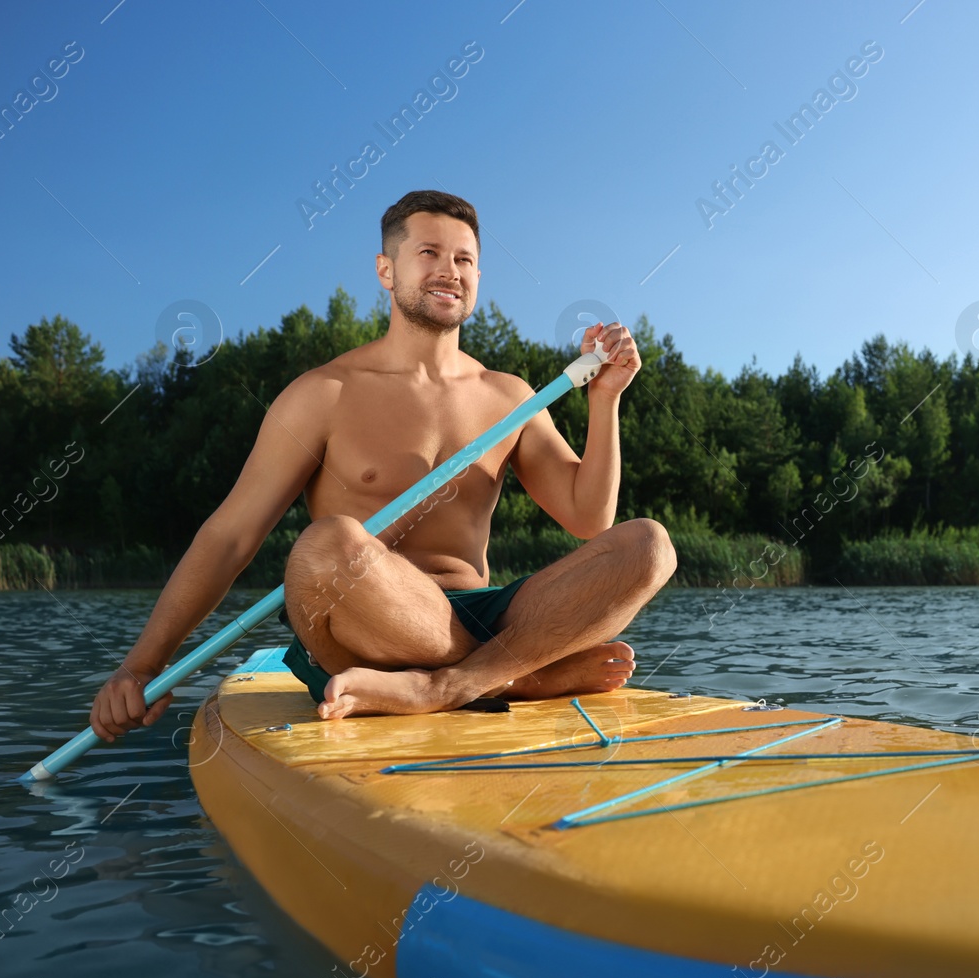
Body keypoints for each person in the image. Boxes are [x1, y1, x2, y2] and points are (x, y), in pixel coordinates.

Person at [88, 189, 675, 741]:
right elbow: (230, 536)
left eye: (466, 259)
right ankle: (524, 674)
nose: (451, 270)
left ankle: (448, 686)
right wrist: (140, 666)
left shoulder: (509, 395)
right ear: (386, 271)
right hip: (364, 627)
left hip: (479, 616)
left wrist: (606, 402)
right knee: (324, 549)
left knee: (649, 545)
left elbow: (590, 517)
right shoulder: (325, 393)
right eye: (429, 253)